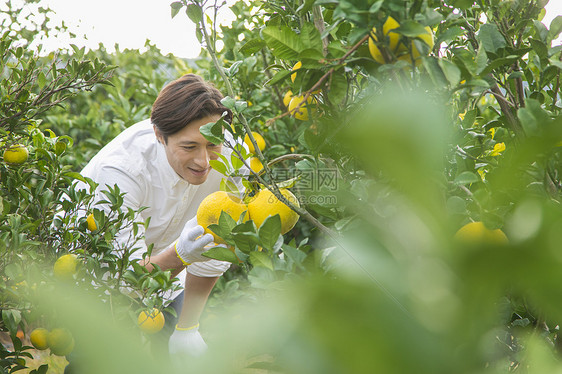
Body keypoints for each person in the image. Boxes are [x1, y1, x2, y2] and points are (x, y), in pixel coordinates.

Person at [74, 74, 240, 357]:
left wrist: (188, 327)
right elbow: (125, 279)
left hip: (168, 266)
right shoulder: (120, 171)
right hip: (99, 272)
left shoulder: (234, 160)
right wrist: (181, 254)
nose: (204, 162)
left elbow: (215, 248)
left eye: (212, 145)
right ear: (159, 135)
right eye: (189, 147)